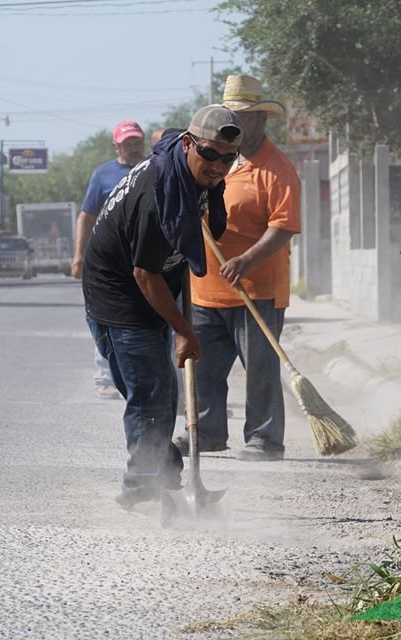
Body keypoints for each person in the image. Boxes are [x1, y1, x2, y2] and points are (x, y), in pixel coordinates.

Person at [82, 105, 243, 508]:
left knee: (157, 392)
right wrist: (186, 333)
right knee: (151, 393)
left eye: (229, 158)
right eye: (210, 154)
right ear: (189, 145)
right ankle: (142, 489)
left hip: (147, 286)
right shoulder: (159, 197)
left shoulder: (184, 159)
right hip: (119, 294)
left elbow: (166, 133)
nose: (218, 166)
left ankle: (162, 475)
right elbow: (145, 275)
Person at [177, 74, 301, 462]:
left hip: (257, 289)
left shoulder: (276, 169)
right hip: (205, 289)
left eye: (243, 117)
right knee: (205, 367)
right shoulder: (215, 158)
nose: (234, 123)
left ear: (261, 121)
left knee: (261, 371)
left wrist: (246, 259)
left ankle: (264, 439)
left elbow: (284, 227)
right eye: (230, 114)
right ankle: (208, 431)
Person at [72, 119, 147, 399]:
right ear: (115, 145)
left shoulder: (153, 169)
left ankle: (150, 376)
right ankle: (105, 377)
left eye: (137, 142)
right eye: (127, 143)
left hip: (144, 258)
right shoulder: (102, 175)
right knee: (105, 315)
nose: (133, 147)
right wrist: (79, 255)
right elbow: (86, 217)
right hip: (108, 262)